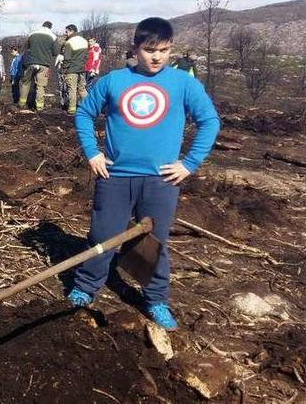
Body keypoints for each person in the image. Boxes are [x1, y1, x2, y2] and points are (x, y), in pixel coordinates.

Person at [66, 17, 220, 330]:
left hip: (161, 180)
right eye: (150, 50)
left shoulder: (183, 83)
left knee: (153, 242)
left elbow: (209, 121)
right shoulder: (114, 81)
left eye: (164, 50)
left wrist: (189, 164)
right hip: (115, 177)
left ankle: (156, 299)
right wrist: (93, 153)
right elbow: (84, 114)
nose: (157, 57)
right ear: (136, 48)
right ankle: (86, 286)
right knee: (102, 234)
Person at [18, 21, 56, 111]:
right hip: (44, 64)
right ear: (50, 27)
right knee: (40, 86)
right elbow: (55, 52)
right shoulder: (53, 36)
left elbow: (26, 47)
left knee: (25, 82)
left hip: (30, 62)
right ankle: (39, 106)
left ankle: (22, 103)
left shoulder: (32, 34)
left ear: (42, 26)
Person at [55, 24, 89, 114]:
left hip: (71, 70)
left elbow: (67, 58)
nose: (65, 33)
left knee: (72, 89)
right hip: (82, 69)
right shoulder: (84, 41)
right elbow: (86, 57)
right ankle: (89, 107)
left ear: (71, 31)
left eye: (66, 31)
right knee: (82, 89)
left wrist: (63, 70)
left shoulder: (69, 42)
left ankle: (72, 109)